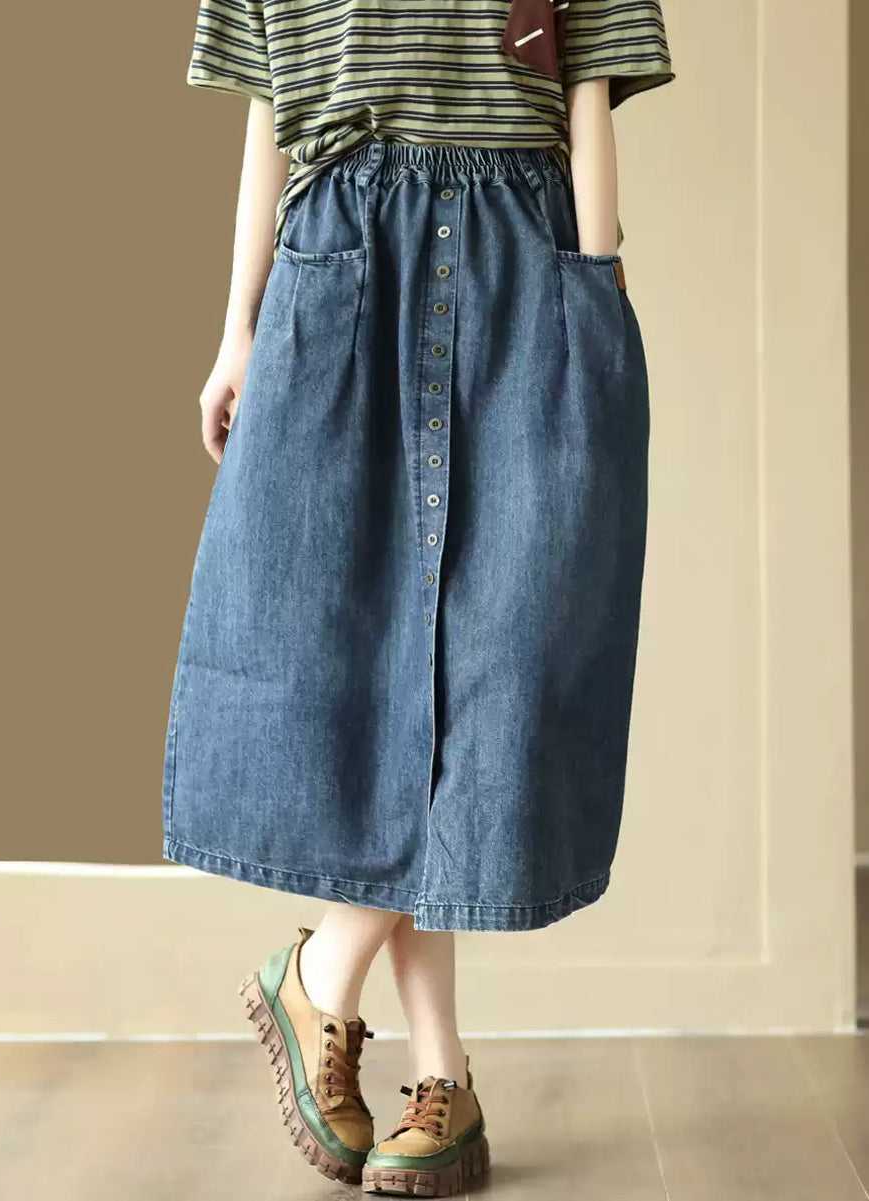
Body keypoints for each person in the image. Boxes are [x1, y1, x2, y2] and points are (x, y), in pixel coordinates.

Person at [162, 0, 675, 1193]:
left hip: (523, 262)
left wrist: (593, 284)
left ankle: (319, 976)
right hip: (342, 262)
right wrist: (237, 327)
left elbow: (589, 82)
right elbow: (273, 109)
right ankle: (444, 1075)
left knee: (502, 662)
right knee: (394, 681)